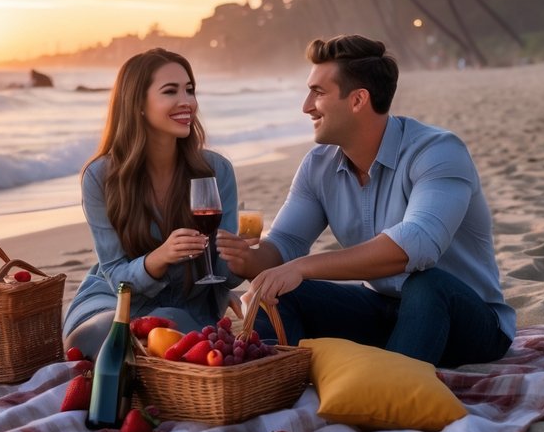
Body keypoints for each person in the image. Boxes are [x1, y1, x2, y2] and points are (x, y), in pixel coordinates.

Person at [217, 34, 514, 368]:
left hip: (469, 326)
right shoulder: (318, 166)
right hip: (383, 312)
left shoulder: (438, 151)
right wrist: (248, 260)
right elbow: (285, 243)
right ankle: (272, 381)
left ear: (358, 100)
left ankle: (391, 391)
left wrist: (301, 267)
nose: (306, 106)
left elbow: (416, 245)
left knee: (426, 284)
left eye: (318, 93)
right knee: (278, 291)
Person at [63, 48, 241, 356]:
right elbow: (115, 274)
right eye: (170, 91)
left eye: (190, 90)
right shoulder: (101, 176)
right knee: (106, 333)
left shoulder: (216, 171)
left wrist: (241, 259)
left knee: (168, 327)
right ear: (139, 105)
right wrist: (160, 257)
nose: (187, 101)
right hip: (114, 301)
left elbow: (223, 270)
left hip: (185, 306)